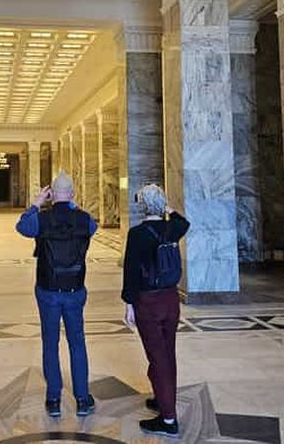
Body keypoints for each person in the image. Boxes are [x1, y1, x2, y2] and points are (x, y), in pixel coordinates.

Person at [15, 171, 98, 418]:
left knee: (50, 343)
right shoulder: (85, 220)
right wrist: (74, 206)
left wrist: (37, 203)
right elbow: (90, 224)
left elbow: (21, 226)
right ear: (72, 194)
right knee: (77, 343)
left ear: (51, 193)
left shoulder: (42, 219)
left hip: (48, 290)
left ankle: (53, 399)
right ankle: (82, 399)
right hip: (74, 289)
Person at [122, 184, 190, 439]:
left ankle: (169, 418)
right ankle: (163, 399)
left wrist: (129, 303)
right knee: (166, 354)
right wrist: (167, 208)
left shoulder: (137, 234)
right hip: (171, 300)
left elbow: (130, 272)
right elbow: (184, 222)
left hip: (148, 302)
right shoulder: (172, 228)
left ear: (142, 207)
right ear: (161, 206)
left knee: (157, 357)